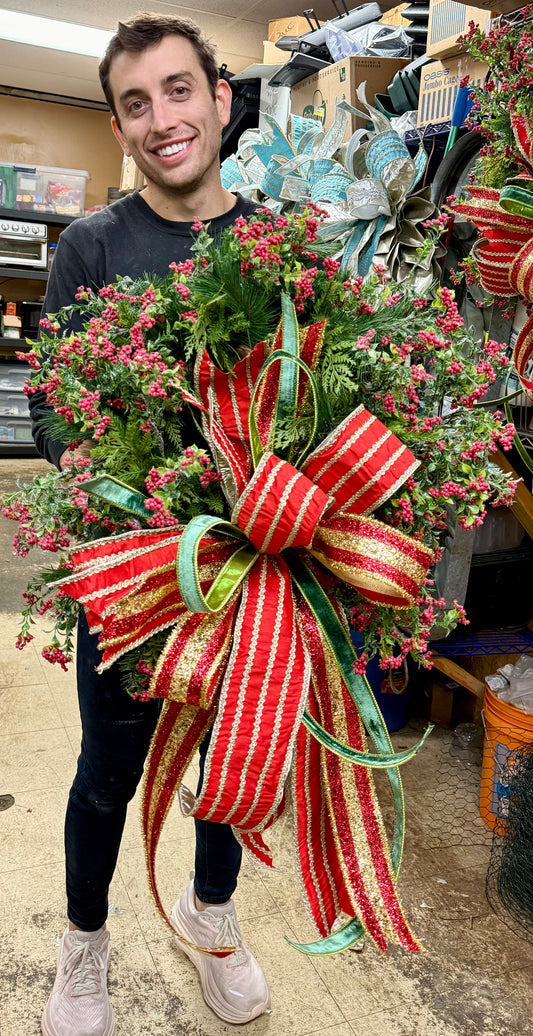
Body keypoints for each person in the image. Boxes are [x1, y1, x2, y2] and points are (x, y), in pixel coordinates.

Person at [30, 13, 271, 1036]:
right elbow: (51, 412)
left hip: (254, 572)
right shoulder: (87, 247)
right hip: (128, 572)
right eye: (136, 103)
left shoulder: (274, 239)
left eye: (179, 90)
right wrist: (134, 484)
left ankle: (208, 913)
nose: (162, 117)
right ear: (121, 129)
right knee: (106, 770)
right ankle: (84, 939)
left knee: (235, 759)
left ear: (220, 99)